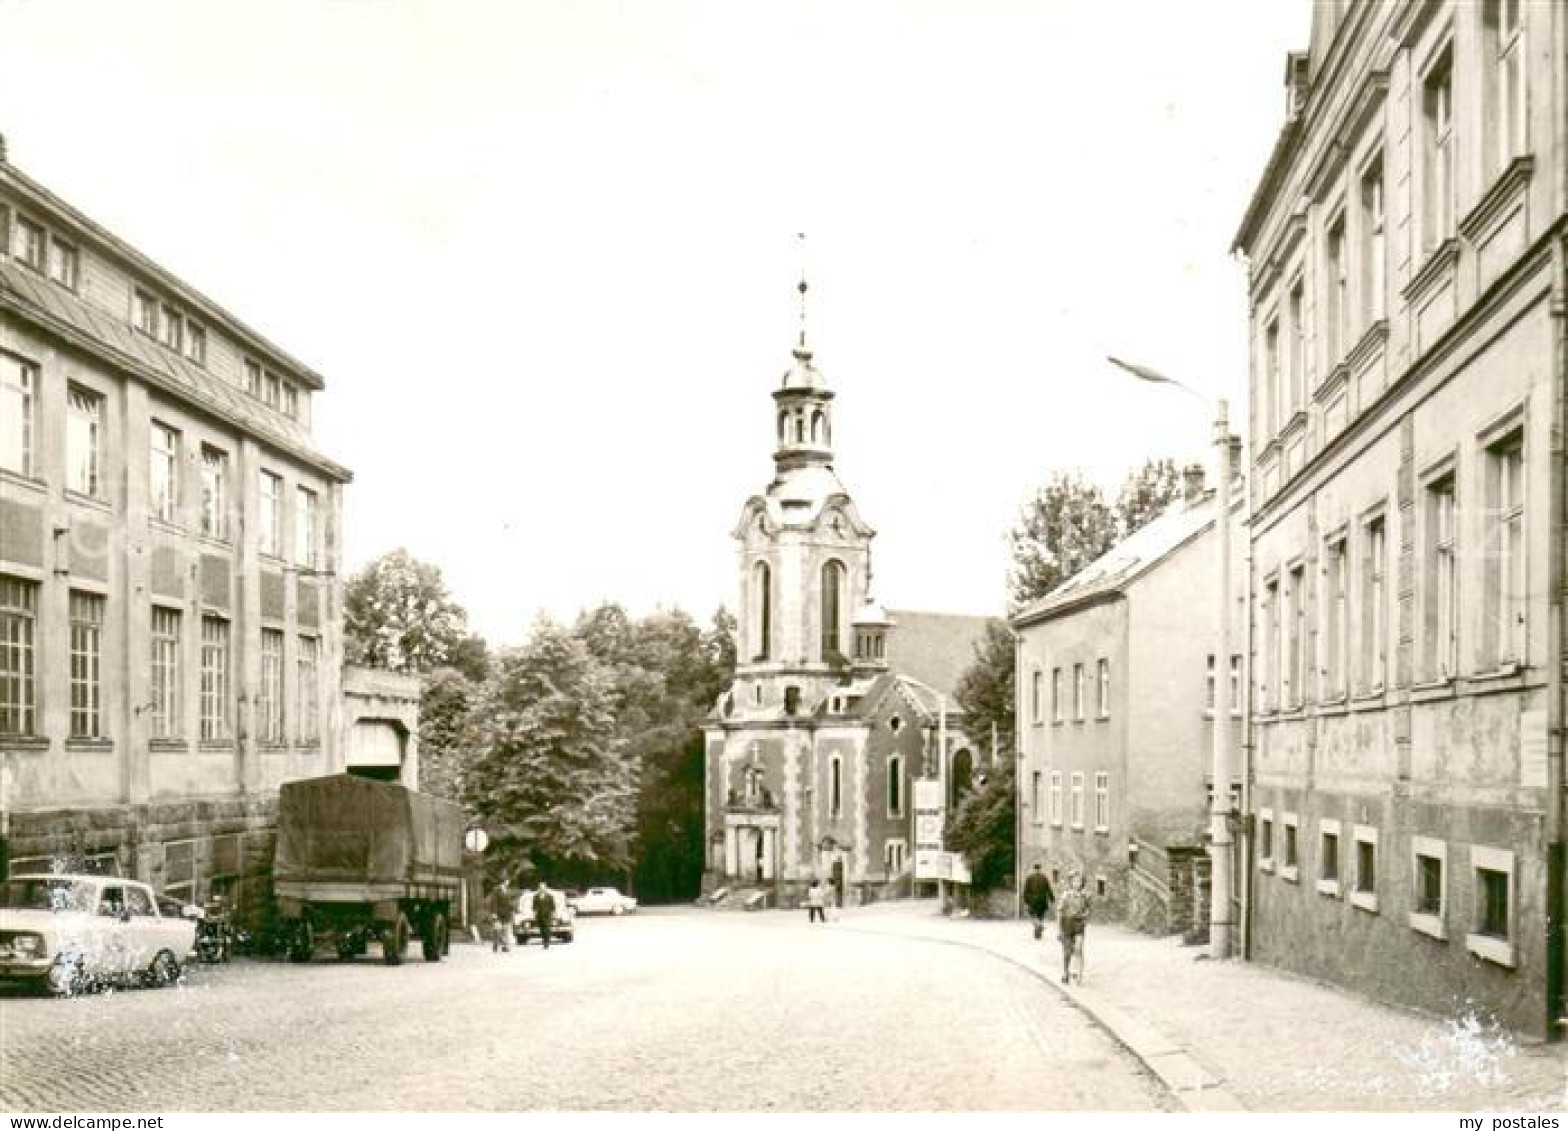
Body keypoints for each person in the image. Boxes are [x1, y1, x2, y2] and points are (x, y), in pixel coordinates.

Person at [1057, 872, 1091, 984]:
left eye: (1079, 881)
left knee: (1078, 949)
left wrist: (1085, 915)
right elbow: (1060, 912)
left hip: (1079, 924)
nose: (1077, 883)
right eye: (1075, 881)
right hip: (1067, 924)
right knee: (1067, 952)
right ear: (1070, 882)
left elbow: (1088, 909)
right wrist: (1059, 930)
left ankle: (1078, 973)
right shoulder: (1066, 895)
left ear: (1082, 883)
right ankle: (1065, 972)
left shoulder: (1085, 896)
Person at [1023, 862, 1055, 940]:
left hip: (1033, 900)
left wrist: (1026, 900)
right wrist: (1052, 898)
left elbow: (1026, 890)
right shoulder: (1044, 877)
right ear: (1040, 869)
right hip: (1042, 900)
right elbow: (1049, 889)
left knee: (1032, 915)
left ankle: (1038, 926)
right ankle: (1039, 929)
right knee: (1041, 916)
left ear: (1034, 869)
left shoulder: (1029, 878)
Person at [489, 880, 513, 953]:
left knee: (506, 930)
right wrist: (493, 913)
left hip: (506, 913)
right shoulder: (496, 890)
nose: (508, 883)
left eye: (508, 881)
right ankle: (495, 944)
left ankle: (505, 946)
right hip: (498, 913)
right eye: (507, 881)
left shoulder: (508, 890)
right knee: (497, 929)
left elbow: (509, 902)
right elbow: (493, 902)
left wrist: (513, 909)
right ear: (503, 881)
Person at [533, 882, 558, 949]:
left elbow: (553, 906)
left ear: (545, 888)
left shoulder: (549, 896)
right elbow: (534, 906)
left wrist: (553, 914)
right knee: (542, 930)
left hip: (547, 915)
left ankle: (546, 943)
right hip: (539, 915)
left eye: (543, 888)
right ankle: (544, 941)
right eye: (540, 888)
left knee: (546, 929)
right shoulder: (536, 897)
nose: (542, 889)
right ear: (539, 888)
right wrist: (535, 913)